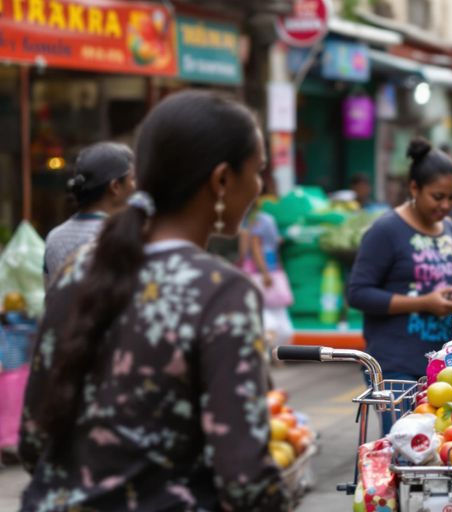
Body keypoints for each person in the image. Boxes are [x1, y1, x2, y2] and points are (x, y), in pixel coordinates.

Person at [19, 91, 289, 510]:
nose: (259, 187)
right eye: (258, 172)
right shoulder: (221, 290)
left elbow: (34, 439)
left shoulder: (75, 269)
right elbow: (245, 479)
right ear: (221, 180)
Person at [347, 139, 452, 432]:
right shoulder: (386, 230)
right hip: (397, 367)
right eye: (437, 197)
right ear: (414, 189)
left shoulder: (450, 229)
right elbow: (357, 293)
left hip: (445, 365)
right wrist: (423, 303)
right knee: (405, 449)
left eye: (451, 198)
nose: (445, 206)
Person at [43, 142, 136, 284]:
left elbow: (50, 296)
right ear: (115, 187)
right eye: (133, 178)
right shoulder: (121, 236)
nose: (137, 185)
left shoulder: (54, 238)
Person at [240, 205, 294, 353]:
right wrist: (265, 272)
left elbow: (246, 251)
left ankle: (272, 352)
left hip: (259, 273)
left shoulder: (250, 222)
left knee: (264, 313)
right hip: (266, 273)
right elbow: (255, 248)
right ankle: (277, 353)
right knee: (273, 316)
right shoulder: (263, 220)